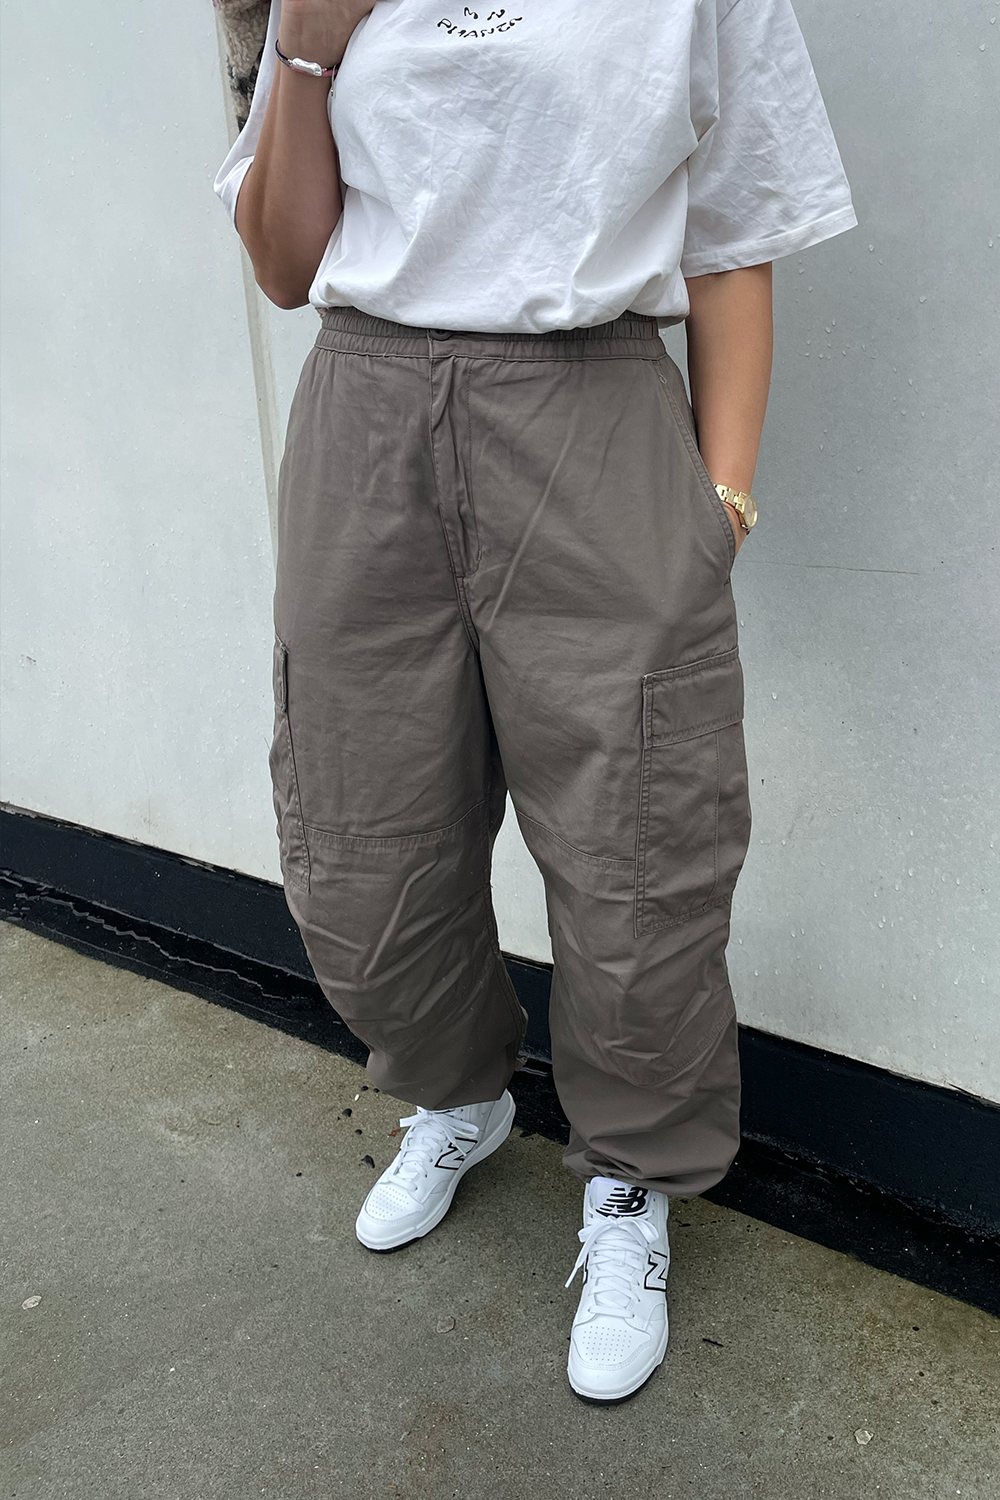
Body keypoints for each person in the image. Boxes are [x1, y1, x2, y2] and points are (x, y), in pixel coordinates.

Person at [214, 0, 856, 1404]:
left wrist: (720, 503)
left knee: (640, 841)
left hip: (593, 411)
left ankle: (632, 1179)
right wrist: (306, 45)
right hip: (366, 409)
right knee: (360, 823)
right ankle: (460, 1095)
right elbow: (281, 262)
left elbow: (734, 234)